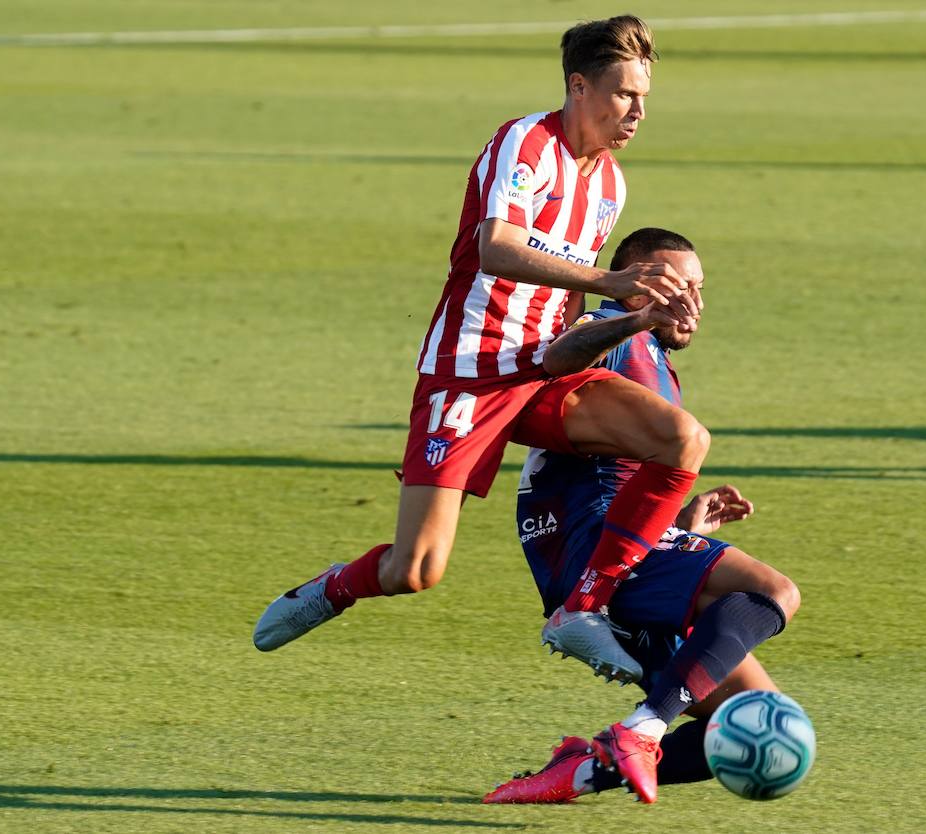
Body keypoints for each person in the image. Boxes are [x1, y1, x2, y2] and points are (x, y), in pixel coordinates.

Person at [252, 15, 709, 684]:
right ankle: (333, 588)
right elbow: (497, 247)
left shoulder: (609, 184)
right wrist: (612, 279)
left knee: (682, 440)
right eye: (622, 93)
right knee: (417, 569)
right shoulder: (526, 143)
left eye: (644, 96)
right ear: (578, 87)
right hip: (469, 375)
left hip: (543, 375)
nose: (637, 111)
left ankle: (584, 609)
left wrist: (640, 317)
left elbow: (565, 334)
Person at [484, 228, 800, 805]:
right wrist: (628, 318)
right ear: (636, 287)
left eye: (699, 289)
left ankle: (582, 771)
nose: (692, 304)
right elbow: (559, 354)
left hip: (616, 551)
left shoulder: (650, 357)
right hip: (595, 552)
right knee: (773, 591)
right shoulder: (610, 330)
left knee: (762, 729)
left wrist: (683, 527)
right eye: (676, 287)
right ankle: (644, 727)